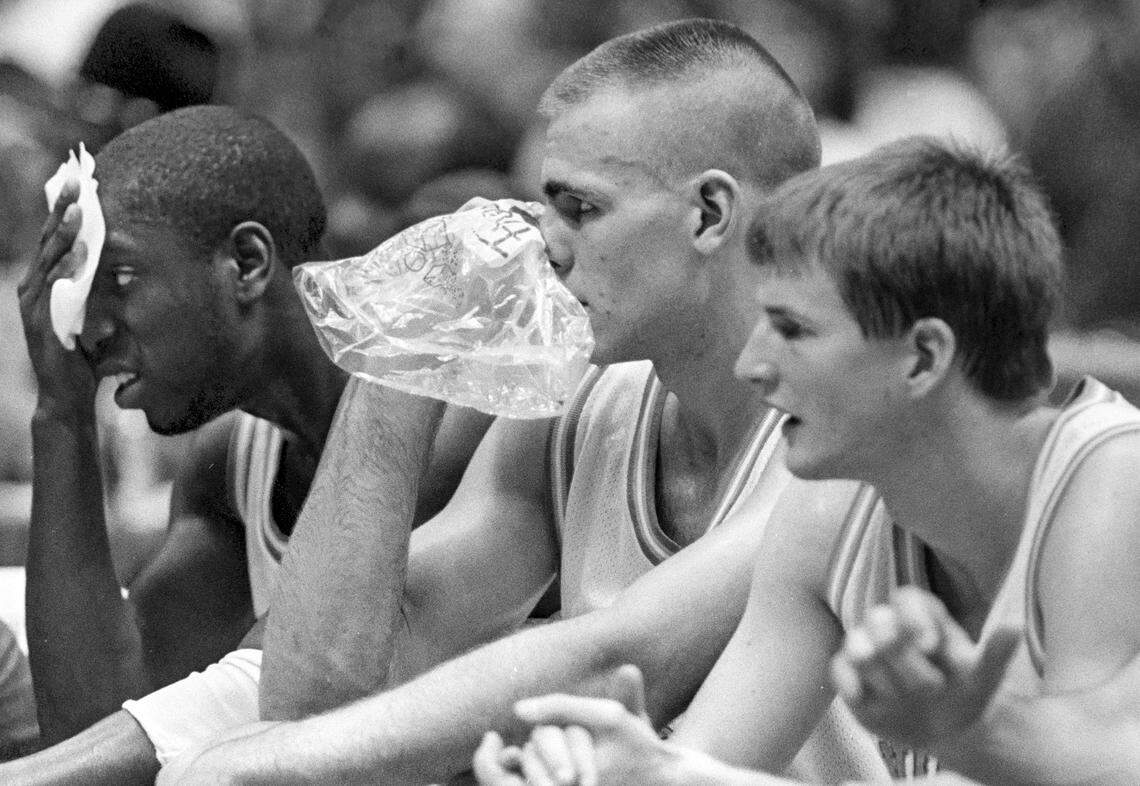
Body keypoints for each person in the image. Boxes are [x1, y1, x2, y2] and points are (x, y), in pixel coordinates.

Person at [159, 19, 889, 785]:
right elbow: (319, 690)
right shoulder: (579, 413)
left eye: (581, 209)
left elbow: (620, 661)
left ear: (709, 214)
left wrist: (249, 766)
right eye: (543, 208)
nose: (545, 242)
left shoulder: (842, 431)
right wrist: (401, 357)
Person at [477, 137, 1140, 784]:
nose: (753, 365)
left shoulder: (1114, 476)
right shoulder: (829, 509)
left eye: (792, 329)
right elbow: (715, 758)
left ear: (925, 357)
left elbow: (1098, 765)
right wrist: (638, 771)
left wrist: (975, 735)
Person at [1, 105, 490, 783]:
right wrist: (61, 417)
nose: (90, 327)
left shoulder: (448, 413)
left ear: (248, 263)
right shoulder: (231, 462)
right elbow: (97, 722)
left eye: (118, 278)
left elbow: (300, 692)